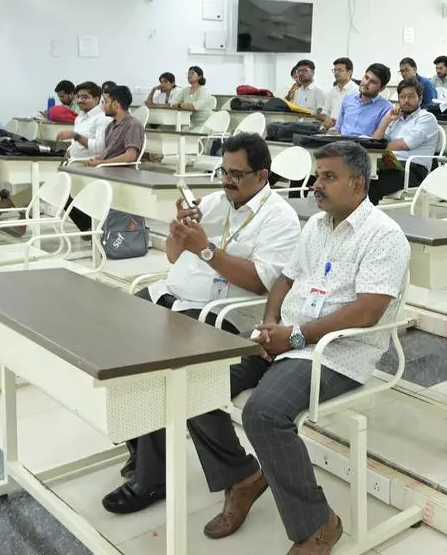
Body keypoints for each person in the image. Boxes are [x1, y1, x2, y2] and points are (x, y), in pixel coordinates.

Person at [105, 139, 410, 555]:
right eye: (318, 176)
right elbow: (283, 280)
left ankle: (318, 524)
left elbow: (368, 311)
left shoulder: (384, 236)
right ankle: (243, 478)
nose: (317, 185)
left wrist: (296, 335)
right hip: (285, 336)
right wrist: (270, 322)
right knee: (195, 382)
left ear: (358, 184)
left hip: (337, 351)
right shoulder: (318, 226)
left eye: (329, 177)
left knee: (263, 413)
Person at [105, 132, 302, 512]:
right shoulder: (214, 202)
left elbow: (262, 281)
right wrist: (179, 230)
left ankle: (153, 474)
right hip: (178, 302)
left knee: (165, 376)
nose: (227, 180)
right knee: (126, 356)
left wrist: (206, 249)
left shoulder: (280, 219)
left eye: (237, 174)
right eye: (223, 171)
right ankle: (146, 450)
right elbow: (174, 257)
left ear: (262, 176)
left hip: (226, 320)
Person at [67, 85, 146, 233]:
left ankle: (93, 229)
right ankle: (90, 229)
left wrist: (101, 163)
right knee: (67, 190)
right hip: (104, 169)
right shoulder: (111, 126)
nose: (103, 106)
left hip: (119, 173)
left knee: (70, 192)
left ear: (116, 104)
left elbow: (130, 156)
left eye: (105, 102)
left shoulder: (133, 125)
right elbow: (107, 152)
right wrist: (95, 160)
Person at [370, 78, 440, 204]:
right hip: (390, 164)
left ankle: (366, 221)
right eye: (402, 97)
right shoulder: (396, 119)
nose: (406, 100)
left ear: (420, 97)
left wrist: (380, 147)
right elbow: (375, 141)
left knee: (372, 186)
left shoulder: (426, 118)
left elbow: (406, 144)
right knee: (358, 178)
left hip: (414, 170)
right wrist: (387, 120)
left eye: (411, 96)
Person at [333, 63, 393, 137]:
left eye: (373, 82)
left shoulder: (386, 109)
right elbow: (338, 130)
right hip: (341, 144)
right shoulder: (348, 99)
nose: (366, 83)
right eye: (366, 77)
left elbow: (379, 140)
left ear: (382, 88)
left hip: (366, 147)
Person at [56, 81, 111, 162]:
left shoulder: (102, 119)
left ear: (96, 99)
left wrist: (76, 136)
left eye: (85, 97)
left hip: (90, 166)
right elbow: (77, 145)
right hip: (73, 162)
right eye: (78, 97)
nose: (80, 100)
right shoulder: (79, 118)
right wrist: (68, 152)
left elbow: (99, 149)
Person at [321, 57, 359, 131]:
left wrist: (337, 122)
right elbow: (324, 112)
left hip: (345, 131)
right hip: (328, 130)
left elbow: (356, 118)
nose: (336, 73)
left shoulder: (356, 91)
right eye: (335, 70)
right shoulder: (332, 91)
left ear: (349, 72)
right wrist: (327, 119)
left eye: (340, 70)